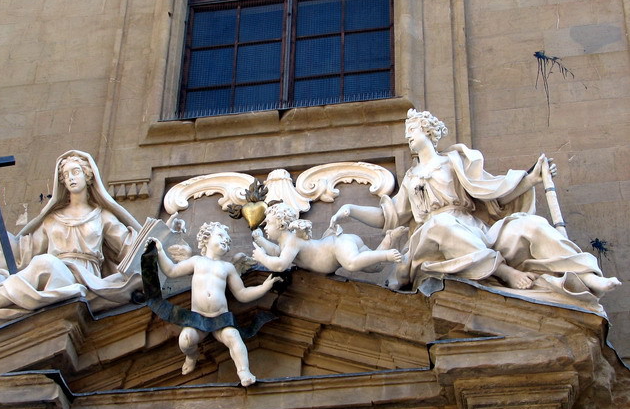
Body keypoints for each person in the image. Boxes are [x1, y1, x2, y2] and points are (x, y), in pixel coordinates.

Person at [329, 109, 621, 297]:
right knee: (442, 224)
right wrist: (351, 210)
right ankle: (504, 271)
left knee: (530, 224)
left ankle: (586, 275)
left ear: (428, 132)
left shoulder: (455, 162)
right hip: (433, 239)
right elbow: (388, 217)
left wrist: (530, 180)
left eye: (412, 130)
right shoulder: (412, 177)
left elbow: (492, 194)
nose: (407, 135)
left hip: (474, 230)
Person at [0, 150, 149, 357]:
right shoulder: (52, 219)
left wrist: (162, 251)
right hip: (41, 277)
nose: (71, 178)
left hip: (81, 278)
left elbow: (132, 248)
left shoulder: (102, 217)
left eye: (76, 172)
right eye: (66, 175)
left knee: (46, 262)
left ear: (88, 176)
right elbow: (17, 252)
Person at [150, 222, 282, 387]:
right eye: (220, 235)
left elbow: (242, 293)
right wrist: (160, 251)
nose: (226, 240)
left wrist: (264, 287)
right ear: (206, 238)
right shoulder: (196, 261)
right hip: (198, 318)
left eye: (228, 239)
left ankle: (244, 371)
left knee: (233, 337)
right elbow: (171, 271)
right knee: (185, 340)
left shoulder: (228, 267)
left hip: (220, 318)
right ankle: (192, 356)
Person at [251, 203, 406, 274]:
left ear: (281, 225)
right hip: (340, 246)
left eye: (268, 223)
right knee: (375, 268)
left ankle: (386, 254)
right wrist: (259, 239)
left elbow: (280, 265)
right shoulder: (285, 246)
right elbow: (276, 252)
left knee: (351, 263)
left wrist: (262, 257)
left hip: (337, 245)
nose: (265, 227)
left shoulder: (292, 240)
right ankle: (389, 238)